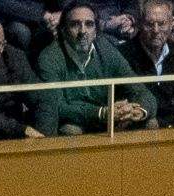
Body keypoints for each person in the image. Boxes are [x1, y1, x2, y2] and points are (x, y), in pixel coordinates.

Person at [36, 2, 157, 133]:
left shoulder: (106, 49)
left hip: (108, 119)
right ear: (63, 31)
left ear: (95, 31)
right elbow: (56, 106)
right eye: (75, 24)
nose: (83, 31)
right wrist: (101, 113)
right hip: (76, 122)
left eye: (89, 24)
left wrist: (137, 111)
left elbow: (142, 92)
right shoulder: (49, 57)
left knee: (150, 122)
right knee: (70, 130)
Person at [121, 0, 174, 128]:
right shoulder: (124, 55)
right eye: (149, 24)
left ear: (171, 25)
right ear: (140, 24)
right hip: (140, 129)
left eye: (162, 24)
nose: (156, 30)